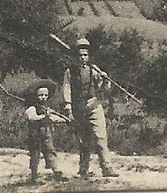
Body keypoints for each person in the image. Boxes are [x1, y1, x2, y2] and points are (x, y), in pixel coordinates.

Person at [61, 37, 117, 178]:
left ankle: (107, 168)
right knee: (84, 141)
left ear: (89, 56)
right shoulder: (69, 71)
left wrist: (104, 80)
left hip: (94, 106)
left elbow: (103, 90)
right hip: (79, 109)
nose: (82, 58)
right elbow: (66, 88)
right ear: (76, 56)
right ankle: (83, 170)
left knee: (100, 138)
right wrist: (68, 107)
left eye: (85, 55)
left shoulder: (94, 71)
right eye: (80, 55)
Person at [24, 82, 65, 184]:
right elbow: (31, 117)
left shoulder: (46, 109)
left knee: (50, 151)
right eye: (41, 95)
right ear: (36, 96)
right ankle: (33, 176)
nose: (43, 97)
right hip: (34, 135)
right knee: (35, 155)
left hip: (46, 134)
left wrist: (62, 120)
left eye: (46, 95)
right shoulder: (32, 108)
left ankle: (56, 171)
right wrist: (43, 117)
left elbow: (53, 117)